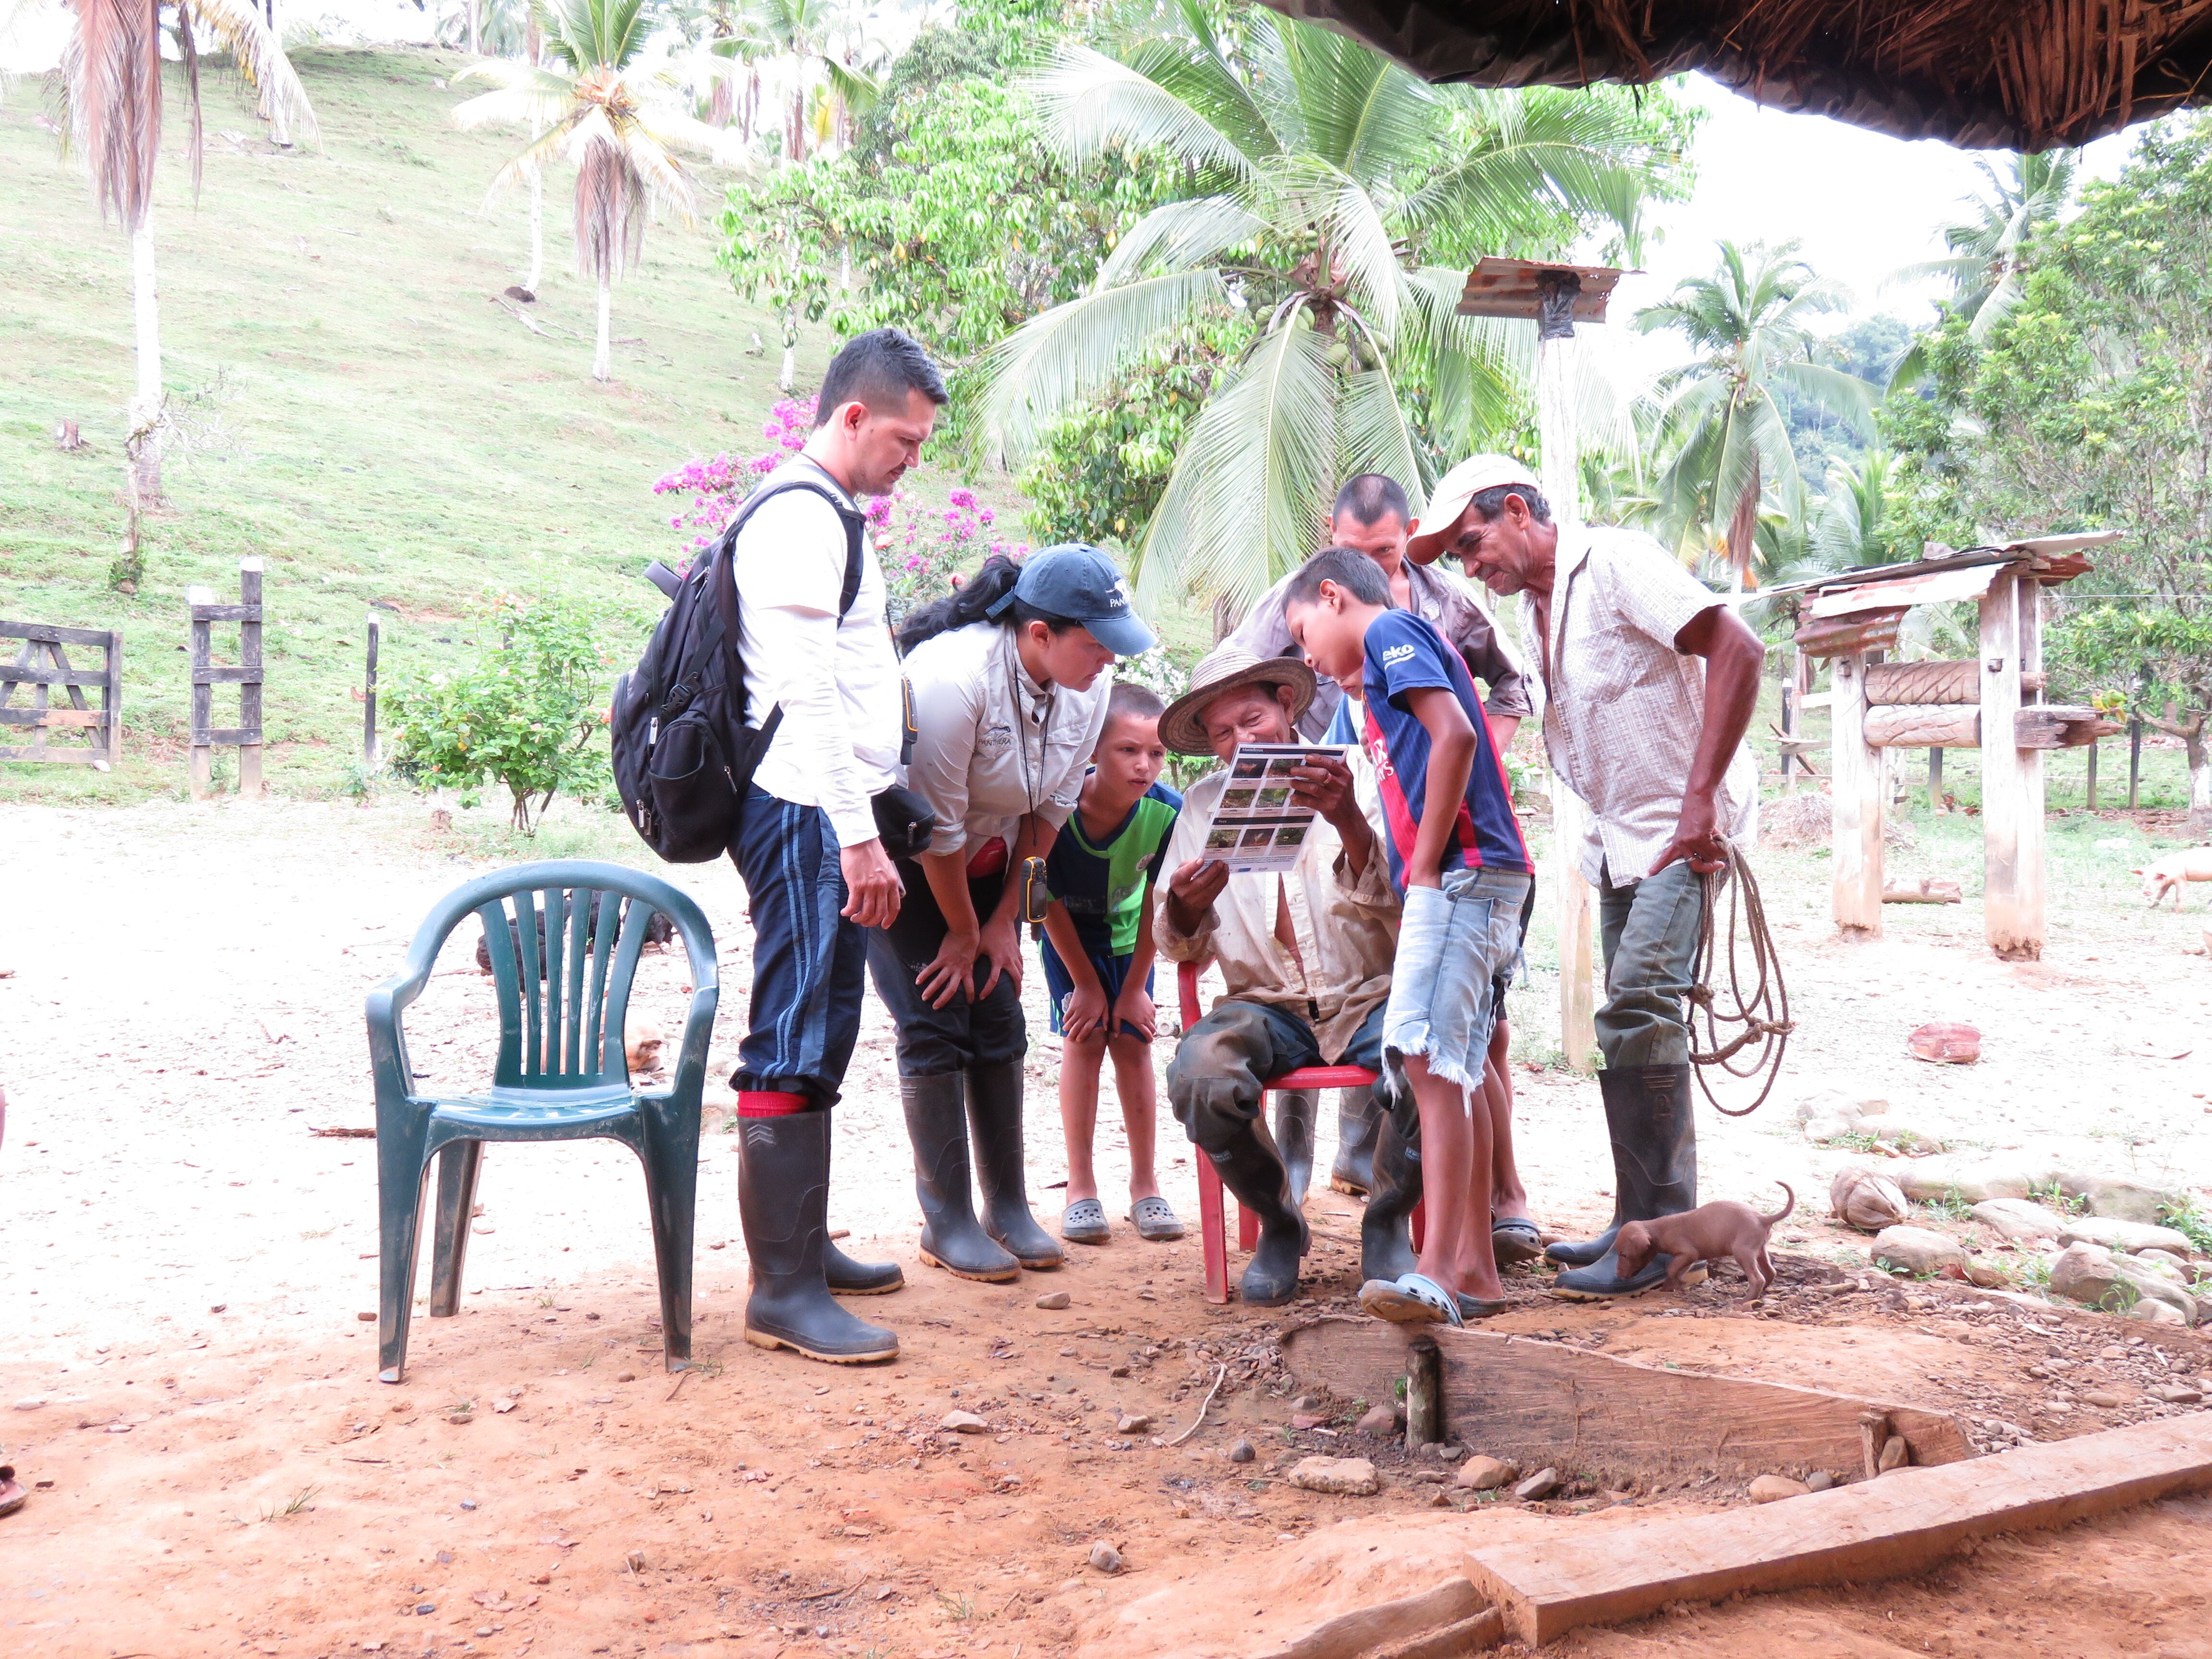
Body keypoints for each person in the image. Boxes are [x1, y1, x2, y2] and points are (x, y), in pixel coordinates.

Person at [1407, 455, 1766, 1299]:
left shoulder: (1611, 564)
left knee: (1636, 1001)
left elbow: (1736, 648)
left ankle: (1656, 1242)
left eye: (1473, 542)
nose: (1471, 566)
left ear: (1520, 512)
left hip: (1687, 825)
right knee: (1633, 1020)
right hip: (1616, 837)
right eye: (1457, 555)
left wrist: (1701, 798)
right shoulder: (1534, 612)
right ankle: (1637, 1224)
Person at [727, 326, 945, 1366]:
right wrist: (859, 840)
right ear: (852, 417)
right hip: (806, 807)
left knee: (825, 1020)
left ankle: (803, 1250)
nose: (913, 458)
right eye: (904, 438)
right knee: (793, 1028)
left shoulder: (831, 515)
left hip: (830, 808)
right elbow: (805, 689)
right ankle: (781, 1289)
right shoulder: (801, 517)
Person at [1228, 472, 1531, 1199]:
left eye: (1392, 554)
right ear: (1331, 548)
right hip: (1349, 812)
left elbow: (1466, 722)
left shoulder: (1409, 620)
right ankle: (1449, 1243)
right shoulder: (1298, 606)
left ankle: (1467, 1227)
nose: (1308, 660)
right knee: (1428, 1046)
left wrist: (1440, 810)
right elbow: (1242, 682)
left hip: (1444, 853)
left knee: (1445, 1051)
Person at [875, 544, 1158, 1284]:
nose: (1105, 660)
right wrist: (963, 933)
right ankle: (948, 1221)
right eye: (1094, 644)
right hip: (904, 862)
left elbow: (1049, 815)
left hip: (996, 862)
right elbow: (933, 830)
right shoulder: (952, 680)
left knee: (1000, 1019)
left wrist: (1002, 923)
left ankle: (1008, 1208)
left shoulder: (1088, 689)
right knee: (935, 1016)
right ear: (1040, 634)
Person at [1284, 546, 1532, 1326]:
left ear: (1332, 598)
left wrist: (1422, 866)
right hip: (1468, 873)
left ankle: (1433, 1271)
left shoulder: (1392, 630)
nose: (1307, 659)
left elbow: (1455, 736)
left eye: (1301, 636)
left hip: (1459, 871)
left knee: (1429, 1061)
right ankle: (1475, 1275)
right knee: (1448, 1064)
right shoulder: (1373, 685)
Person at [1154, 644, 1409, 1308]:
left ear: (1286, 704)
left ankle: (1387, 1219)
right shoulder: (1203, 806)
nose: (1241, 741)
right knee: (1200, 1075)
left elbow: (1409, 907)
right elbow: (1176, 943)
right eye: (1222, 734)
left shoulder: (1360, 775)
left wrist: (1349, 820)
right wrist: (1185, 903)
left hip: (1370, 996)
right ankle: (1278, 1217)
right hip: (1262, 1006)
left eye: (1252, 719)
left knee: (1426, 1059)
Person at [1037, 682, 1183, 1247]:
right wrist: (1085, 984)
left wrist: (1134, 988)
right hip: (1067, 937)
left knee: (1133, 1040)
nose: (1144, 765)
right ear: (1093, 750)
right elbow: (1041, 895)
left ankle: (1146, 1187)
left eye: (1156, 753)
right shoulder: (1057, 804)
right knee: (1083, 1038)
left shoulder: (1166, 811)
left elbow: (1157, 899)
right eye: (1128, 750)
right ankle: (1081, 1188)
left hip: (1130, 938)